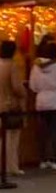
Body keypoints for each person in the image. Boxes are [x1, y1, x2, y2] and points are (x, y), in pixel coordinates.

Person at [29, 41, 56, 170]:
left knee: (42, 132)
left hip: (41, 101)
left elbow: (33, 86)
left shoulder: (36, 67)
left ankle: (43, 159)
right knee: (55, 131)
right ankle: (55, 159)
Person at [0, 40, 27, 176]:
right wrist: (24, 93)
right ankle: (12, 167)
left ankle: (2, 166)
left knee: (2, 138)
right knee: (12, 138)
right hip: (11, 106)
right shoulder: (12, 66)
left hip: (0, 106)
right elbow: (17, 87)